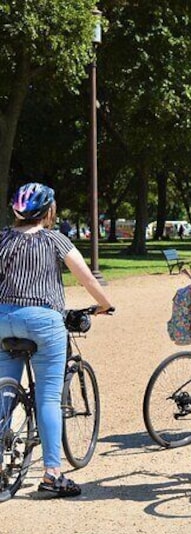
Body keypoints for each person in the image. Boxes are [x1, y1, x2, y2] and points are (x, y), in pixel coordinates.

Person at [0, 182, 113, 497]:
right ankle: (52, 474)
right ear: (48, 212)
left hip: (2, 319)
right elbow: (87, 276)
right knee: (48, 399)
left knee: (4, 394)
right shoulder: (54, 239)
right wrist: (105, 304)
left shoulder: (2, 238)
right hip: (42, 320)